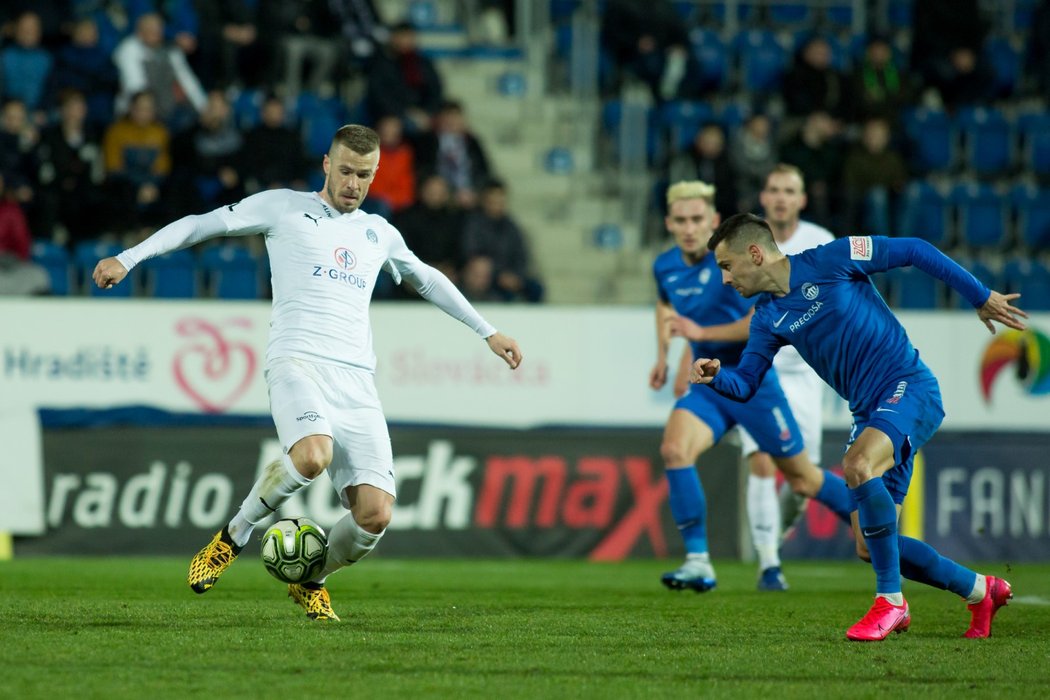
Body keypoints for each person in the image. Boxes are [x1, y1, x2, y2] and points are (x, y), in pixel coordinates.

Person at [92, 124, 523, 621]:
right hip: (297, 362)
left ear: (375, 174)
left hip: (358, 383)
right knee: (313, 454)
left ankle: (309, 579)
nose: (353, 183)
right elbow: (200, 224)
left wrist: (487, 331)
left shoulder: (379, 232)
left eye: (364, 175)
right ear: (326, 164)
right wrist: (129, 257)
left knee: (375, 515)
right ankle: (233, 536)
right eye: (345, 171)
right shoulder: (285, 207)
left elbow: (427, 279)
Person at [690, 213, 1024, 640]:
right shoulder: (766, 318)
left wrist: (979, 295)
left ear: (754, 253)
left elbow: (915, 250)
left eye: (726, 265)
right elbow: (746, 383)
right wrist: (718, 375)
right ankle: (980, 590)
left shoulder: (833, 258)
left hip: (909, 387)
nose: (724, 279)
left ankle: (891, 602)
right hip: (870, 413)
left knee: (857, 463)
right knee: (870, 546)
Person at [650, 180, 850, 593]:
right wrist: (665, 354)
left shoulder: (732, 264)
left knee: (803, 480)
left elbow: (760, 322)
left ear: (713, 221)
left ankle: (876, 520)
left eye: (697, 220)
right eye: (681, 221)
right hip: (709, 385)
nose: (689, 229)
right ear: (669, 223)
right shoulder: (664, 266)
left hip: (752, 381)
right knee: (674, 449)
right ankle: (698, 562)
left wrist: (700, 331)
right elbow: (666, 305)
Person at [732, 164, 835, 583]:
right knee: (760, 461)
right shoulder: (744, 242)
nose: (780, 197)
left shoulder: (820, 241)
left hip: (807, 373)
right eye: (774, 189)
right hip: (764, 367)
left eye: (789, 190)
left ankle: (781, 528)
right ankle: (769, 563)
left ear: (801, 199)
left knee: (802, 480)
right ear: (763, 196)